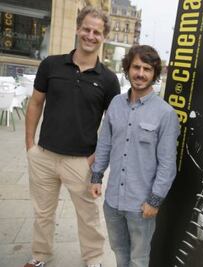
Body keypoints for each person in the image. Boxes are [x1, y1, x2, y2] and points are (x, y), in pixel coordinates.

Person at [24, 6, 120, 267]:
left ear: (104, 37)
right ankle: (40, 256)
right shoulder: (51, 64)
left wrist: (96, 158)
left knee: (88, 216)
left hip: (81, 161)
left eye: (97, 32)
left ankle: (93, 260)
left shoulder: (109, 80)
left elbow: (113, 125)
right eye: (86, 29)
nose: (90, 35)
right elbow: (35, 103)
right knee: (42, 213)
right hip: (43, 155)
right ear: (78, 29)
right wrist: (30, 145)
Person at [89, 45, 180, 267]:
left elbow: (167, 164)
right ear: (128, 69)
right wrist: (96, 176)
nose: (140, 73)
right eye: (136, 67)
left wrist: (154, 200)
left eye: (147, 69)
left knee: (138, 259)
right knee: (119, 252)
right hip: (113, 201)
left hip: (141, 206)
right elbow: (105, 143)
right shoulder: (115, 104)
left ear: (155, 74)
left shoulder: (165, 114)